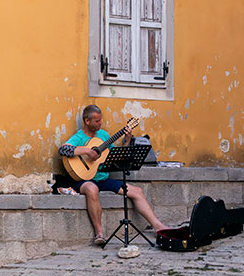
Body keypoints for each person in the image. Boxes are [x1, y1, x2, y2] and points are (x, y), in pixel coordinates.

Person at [58, 105, 169, 246]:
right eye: (97, 121)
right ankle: (99, 233)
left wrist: (127, 140)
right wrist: (87, 151)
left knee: (137, 191)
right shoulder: (79, 137)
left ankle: (158, 227)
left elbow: (117, 157)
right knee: (92, 189)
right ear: (87, 121)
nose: (100, 123)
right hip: (84, 179)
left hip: (103, 179)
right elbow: (63, 150)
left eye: (101, 120)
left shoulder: (103, 135)